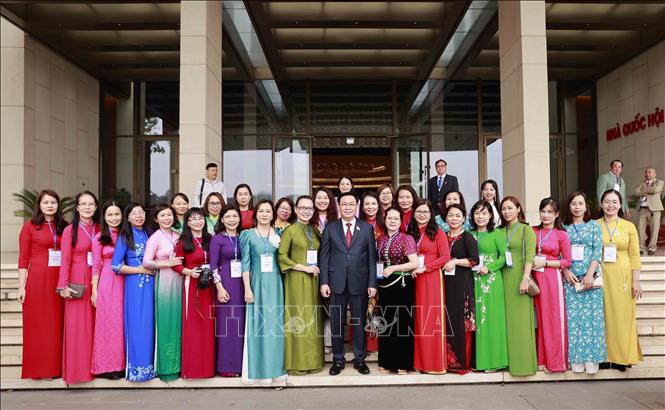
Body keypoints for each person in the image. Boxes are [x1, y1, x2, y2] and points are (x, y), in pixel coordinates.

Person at [320, 192, 377, 376]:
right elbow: (325, 257)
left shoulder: (366, 228)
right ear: (339, 206)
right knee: (337, 323)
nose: (347, 207)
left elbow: (371, 258)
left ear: (356, 206)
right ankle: (338, 359)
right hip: (335, 283)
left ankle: (359, 359)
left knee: (359, 322)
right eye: (344, 204)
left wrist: (372, 283)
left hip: (359, 282)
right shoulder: (331, 228)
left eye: (351, 204)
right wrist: (324, 282)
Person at [17, 189, 67, 379]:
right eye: (45, 202)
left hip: (60, 279)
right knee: (38, 326)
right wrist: (21, 286)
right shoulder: (29, 227)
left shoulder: (64, 226)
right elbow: (23, 259)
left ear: (58, 205)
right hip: (37, 280)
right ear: (39, 205)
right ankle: (39, 370)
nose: (49, 205)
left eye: (53, 202)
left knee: (56, 325)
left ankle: (57, 368)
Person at [240, 200, 286, 384]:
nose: (265, 214)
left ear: (273, 214)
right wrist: (247, 289)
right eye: (261, 211)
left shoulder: (280, 233)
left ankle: (277, 369)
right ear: (255, 214)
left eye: (268, 211)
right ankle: (259, 370)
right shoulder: (247, 235)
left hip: (276, 283)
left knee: (276, 325)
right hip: (257, 283)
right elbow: (245, 263)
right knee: (258, 324)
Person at [278, 196, 324, 375]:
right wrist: (304, 268)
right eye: (302, 208)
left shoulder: (313, 230)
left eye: (309, 208)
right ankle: (298, 363)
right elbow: (282, 256)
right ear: (296, 210)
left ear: (313, 211)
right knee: (299, 317)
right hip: (297, 279)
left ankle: (313, 361)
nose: (306, 211)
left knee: (313, 319)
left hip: (314, 280)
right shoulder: (290, 230)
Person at [562, 191, 607, 374]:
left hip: (591, 279)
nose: (577, 207)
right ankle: (576, 360)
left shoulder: (594, 226)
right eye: (574, 203)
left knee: (593, 321)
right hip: (571, 280)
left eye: (580, 203)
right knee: (574, 321)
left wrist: (589, 274)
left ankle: (592, 360)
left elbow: (598, 250)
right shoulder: (563, 227)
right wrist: (565, 270)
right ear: (569, 206)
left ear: (586, 206)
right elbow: (558, 251)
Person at [598, 189, 643, 371]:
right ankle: (603, 356)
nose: (610, 205)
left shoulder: (628, 226)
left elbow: (635, 255)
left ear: (620, 204)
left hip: (623, 277)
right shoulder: (594, 225)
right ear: (601, 204)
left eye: (614, 202)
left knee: (622, 317)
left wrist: (636, 280)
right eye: (607, 201)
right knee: (603, 316)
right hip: (601, 276)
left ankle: (621, 357)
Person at [56, 190, 98, 384]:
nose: (88, 207)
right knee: (78, 327)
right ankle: (77, 372)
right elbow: (65, 260)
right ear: (77, 207)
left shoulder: (99, 228)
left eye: (91, 204)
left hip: (97, 278)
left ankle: (96, 368)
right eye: (84, 204)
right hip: (77, 279)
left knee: (95, 325)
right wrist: (62, 286)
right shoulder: (69, 230)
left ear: (96, 207)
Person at [112, 202, 155, 382]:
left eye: (141, 212)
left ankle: (153, 367)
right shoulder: (125, 236)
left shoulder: (150, 234)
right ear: (127, 217)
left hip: (153, 284)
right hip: (135, 287)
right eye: (134, 213)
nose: (139, 216)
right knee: (138, 326)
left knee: (151, 325)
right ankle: (138, 369)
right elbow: (116, 266)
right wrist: (141, 270)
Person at [408, 200, 450, 374]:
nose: (422, 214)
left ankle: (433, 364)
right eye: (419, 211)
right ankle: (419, 362)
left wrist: (425, 267)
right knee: (417, 320)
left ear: (431, 214)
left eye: (425, 211)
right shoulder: (410, 232)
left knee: (431, 320)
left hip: (431, 278)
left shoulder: (438, 232)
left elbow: (445, 257)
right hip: (413, 279)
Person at [375, 208, 419, 374]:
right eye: (389, 218)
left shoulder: (406, 238)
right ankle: (387, 361)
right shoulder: (381, 239)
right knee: (386, 323)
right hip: (385, 286)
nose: (392, 221)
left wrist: (393, 268)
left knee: (402, 323)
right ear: (385, 220)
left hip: (402, 284)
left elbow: (414, 263)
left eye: (396, 218)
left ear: (401, 222)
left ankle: (402, 363)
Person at [173, 207, 215, 379]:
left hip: (209, 287)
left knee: (208, 325)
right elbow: (176, 265)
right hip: (192, 286)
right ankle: (192, 369)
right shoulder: (183, 242)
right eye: (193, 219)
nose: (197, 222)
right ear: (187, 222)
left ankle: (207, 369)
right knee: (193, 326)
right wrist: (189, 272)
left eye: (200, 218)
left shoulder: (210, 239)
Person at [143, 204, 183, 381]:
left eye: (169, 215)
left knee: (180, 321)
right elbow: (146, 262)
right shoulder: (155, 237)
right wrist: (168, 263)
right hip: (165, 282)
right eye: (163, 215)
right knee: (166, 322)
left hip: (181, 280)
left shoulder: (179, 235)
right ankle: (167, 368)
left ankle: (181, 364)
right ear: (156, 219)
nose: (167, 218)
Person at [531, 197, 572, 373]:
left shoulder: (561, 234)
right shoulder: (532, 231)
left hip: (552, 279)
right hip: (534, 278)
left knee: (552, 319)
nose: (545, 215)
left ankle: (555, 362)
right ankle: (540, 359)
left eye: (549, 212)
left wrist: (546, 263)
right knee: (538, 319)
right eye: (543, 211)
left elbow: (567, 261)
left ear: (556, 214)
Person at [499, 196, 538, 376]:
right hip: (502, 278)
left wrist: (525, 277)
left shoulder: (525, 230)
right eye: (504, 209)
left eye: (510, 208)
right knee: (507, 323)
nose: (507, 212)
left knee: (520, 322)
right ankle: (509, 362)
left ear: (518, 209)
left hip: (519, 277)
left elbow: (530, 256)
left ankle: (524, 365)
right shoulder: (500, 231)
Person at [469, 200, 508, 372]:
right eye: (477, 213)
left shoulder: (496, 233)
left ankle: (494, 361)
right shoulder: (468, 233)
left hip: (491, 280)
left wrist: (489, 267)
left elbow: (505, 257)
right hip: (472, 280)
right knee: (476, 319)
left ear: (491, 215)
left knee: (491, 319)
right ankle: (478, 362)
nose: (480, 216)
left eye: (484, 213)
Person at [442, 203, 479, 374]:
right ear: (446, 218)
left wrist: (455, 261)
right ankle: (446, 361)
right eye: (451, 215)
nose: (454, 218)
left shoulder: (467, 237)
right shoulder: (443, 236)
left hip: (462, 284)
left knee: (461, 323)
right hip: (446, 285)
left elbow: (474, 260)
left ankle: (462, 362)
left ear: (463, 218)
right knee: (447, 321)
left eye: (458, 215)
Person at [209, 205, 245, 377]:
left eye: (235, 216)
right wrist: (219, 287)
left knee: (241, 326)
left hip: (242, 285)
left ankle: (240, 365)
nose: (232, 220)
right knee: (228, 326)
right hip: (226, 286)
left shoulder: (243, 237)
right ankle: (226, 366)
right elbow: (213, 266)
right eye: (228, 216)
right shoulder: (217, 239)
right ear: (222, 219)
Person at [91, 201, 125, 379]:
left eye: (117, 214)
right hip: (107, 282)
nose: (114, 218)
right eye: (110, 215)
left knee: (122, 323)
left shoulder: (126, 235)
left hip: (126, 281)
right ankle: (107, 366)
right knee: (108, 324)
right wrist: (94, 290)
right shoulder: (98, 238)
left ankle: (122, 364)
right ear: (104, 217)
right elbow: (96, 264)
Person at [359, 191, 387, 353]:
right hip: (362, 271)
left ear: (379, 206)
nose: (370, 207)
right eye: (367, 204)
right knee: (366, 306)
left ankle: (379, 344)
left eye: (373, 204)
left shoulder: (384, 223)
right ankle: (367, 345)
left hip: (383, 270)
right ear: (362, 207)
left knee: (380, 306)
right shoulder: (359, 224)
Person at [634, 167, 663, 255]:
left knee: (654, 229)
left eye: (650, 172)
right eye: (646, 172)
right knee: (640, 229)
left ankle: (652, 248)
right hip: (642, 208)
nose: (647, 174)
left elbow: (655, 190)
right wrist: (647, 192)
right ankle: (641, 247)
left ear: (655, 174)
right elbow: (636, 192)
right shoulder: (641, 183)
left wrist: (643, 191)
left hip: (655, 210)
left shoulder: (660, 182)